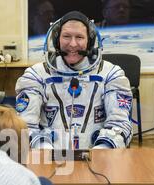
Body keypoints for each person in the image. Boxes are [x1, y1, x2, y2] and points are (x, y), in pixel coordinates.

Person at [16, 11, 133, 150]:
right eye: (66, 36)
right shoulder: (36, 75)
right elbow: (25, 124)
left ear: (89, 41)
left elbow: (120, 124)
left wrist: (102, 150)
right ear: (56, 40)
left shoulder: (111, 75)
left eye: (79, 37)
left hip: (98, 157)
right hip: (49, 157)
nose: (72, 44)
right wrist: (44, 148)